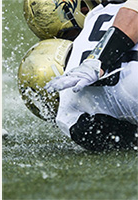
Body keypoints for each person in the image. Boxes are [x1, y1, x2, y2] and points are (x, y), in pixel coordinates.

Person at [45, 0, 138, 151]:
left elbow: (82, 130)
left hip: (82, 103)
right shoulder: (99, 13)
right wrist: (99, 61)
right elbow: (131, 16)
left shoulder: (92, 17)